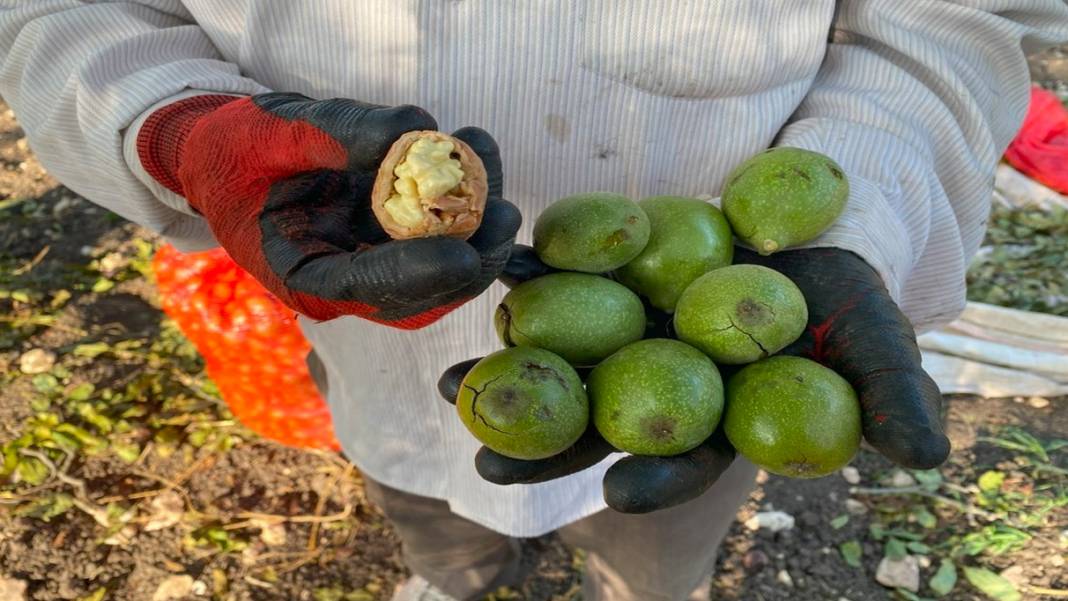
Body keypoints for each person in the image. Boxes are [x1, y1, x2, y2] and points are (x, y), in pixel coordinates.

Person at [2, 3, 1066, 600]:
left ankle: (652, 587)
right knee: (417, 485)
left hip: (723, 288)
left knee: (663, 523)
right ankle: (450, 574)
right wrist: (174, 128)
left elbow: (951, 19)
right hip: (349, 286)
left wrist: (862, 195)